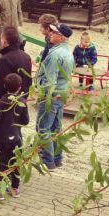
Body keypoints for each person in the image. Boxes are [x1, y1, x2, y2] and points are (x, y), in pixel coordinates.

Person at [36, 23, 75, 170]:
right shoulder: (68, 52)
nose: (50, 33)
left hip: (51, 97)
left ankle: (48, 160)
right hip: (61, 94)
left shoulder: (55, 54)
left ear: (61, 37)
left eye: (54, 32)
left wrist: (43, 95)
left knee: (43, 128)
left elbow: (50, 79)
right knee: (55, 128)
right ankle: (57, 159)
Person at [0, 73, 29, 200]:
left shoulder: (0, 102)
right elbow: (25, 121)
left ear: (5, 86)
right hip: (16, 137)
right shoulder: (22, 102)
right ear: (19, 87)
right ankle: (15, 188)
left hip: (1, 139)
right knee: (16, 163)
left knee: (0, 164)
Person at [0, 26, 32, 101]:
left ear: (4, 41)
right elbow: (28, 81)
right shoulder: (26, 57)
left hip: (7, 101)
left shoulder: (5, 60)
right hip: (22, 99)